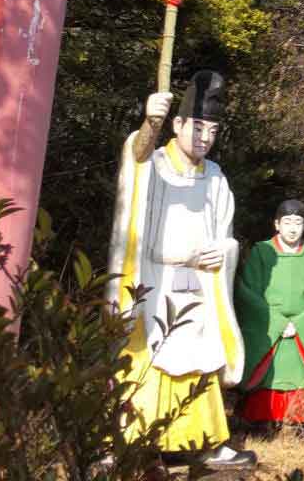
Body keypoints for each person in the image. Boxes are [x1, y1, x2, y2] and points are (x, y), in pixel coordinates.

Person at [106, 69, 257, 471]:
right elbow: (135, 160)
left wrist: (222, 252)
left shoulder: (215, 178)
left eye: (213, 130)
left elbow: (225, 232)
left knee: (202, 357)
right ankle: (135, 441)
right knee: (153, 353)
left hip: (199, 284)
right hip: (156, 278)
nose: (205, 138)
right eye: (198, 128)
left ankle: (206, 442)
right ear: (179, 123)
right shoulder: (153, 164)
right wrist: (148, 124)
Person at [235, 199, 304, 425]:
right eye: (287, 221)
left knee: (298, 371)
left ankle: (300, 417)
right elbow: (248, 293)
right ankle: (261, 417)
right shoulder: (262, 252)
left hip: (302, 326)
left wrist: (300, 323)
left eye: (298, 222)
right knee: (268, 372)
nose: (292, 227)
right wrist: (277, 322)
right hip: (268, 322)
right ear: (277, 224)